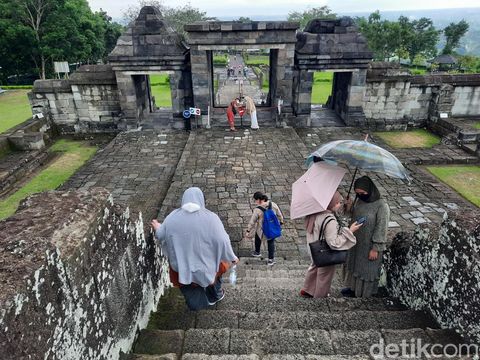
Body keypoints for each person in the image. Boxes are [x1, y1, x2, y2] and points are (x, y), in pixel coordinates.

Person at [151, 187, 239, 311]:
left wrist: (158, 227)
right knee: (218, 268)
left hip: (182, 267)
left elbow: (160, 235)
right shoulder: (211, 218)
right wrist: (232, 257)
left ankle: (199, 305)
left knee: (188, 286)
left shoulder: (172, 217)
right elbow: (222, 240)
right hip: (207, 265)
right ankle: (215, 296)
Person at [301, 192, 362, 298]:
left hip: (315, 250)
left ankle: (308, 289)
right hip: (325, 252)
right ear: (330, 204)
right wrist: (350, 231)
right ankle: (320, 298)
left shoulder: (315, 212)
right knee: (324, 276)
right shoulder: (330, 220)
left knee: (314, 267)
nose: (339, 205)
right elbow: (334, 243)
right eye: (338, 202)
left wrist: (346, 207)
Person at [342, 176, 390, 298]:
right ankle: (354, 289)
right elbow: (354, 215)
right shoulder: (360, 200)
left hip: (369, 245)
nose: (360, 195)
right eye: (357, 193)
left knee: (367, 270)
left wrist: (376, 248)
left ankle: (364, 295)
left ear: (370, 190)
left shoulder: (382, 206)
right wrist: (349, 207)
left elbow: (381, 228)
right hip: (357, 242)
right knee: (355, 266)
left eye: (362, 193)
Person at [245, 192, 284, 266]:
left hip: (262, 230)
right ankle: (270, 260)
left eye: (255, 200)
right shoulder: (273, 204)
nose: (255, 202)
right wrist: (281, 222)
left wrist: (248, 230)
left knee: (257, 236)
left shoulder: (257, 210)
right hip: (271, 228)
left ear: (259, 199)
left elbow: (252, 221)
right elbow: (280, 215)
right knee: (271, 242)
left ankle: (257, 252)